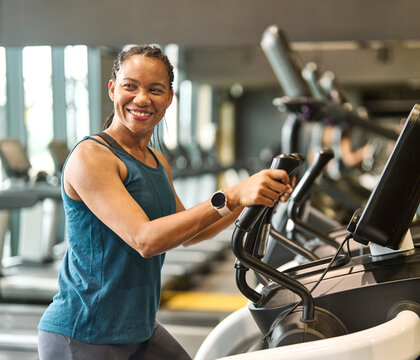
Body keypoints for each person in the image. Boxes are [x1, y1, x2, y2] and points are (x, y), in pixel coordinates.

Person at [37, 45, 294, 360]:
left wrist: (255, 198)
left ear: (170, 98)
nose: (142, 98)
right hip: (85, 334)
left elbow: (192, 233)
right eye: (130, 86)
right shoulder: (92, 157)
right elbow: (145, 240)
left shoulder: (158, 161)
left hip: (138, 330)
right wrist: (234, 194)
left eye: (154, 90)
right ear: (112, 89)